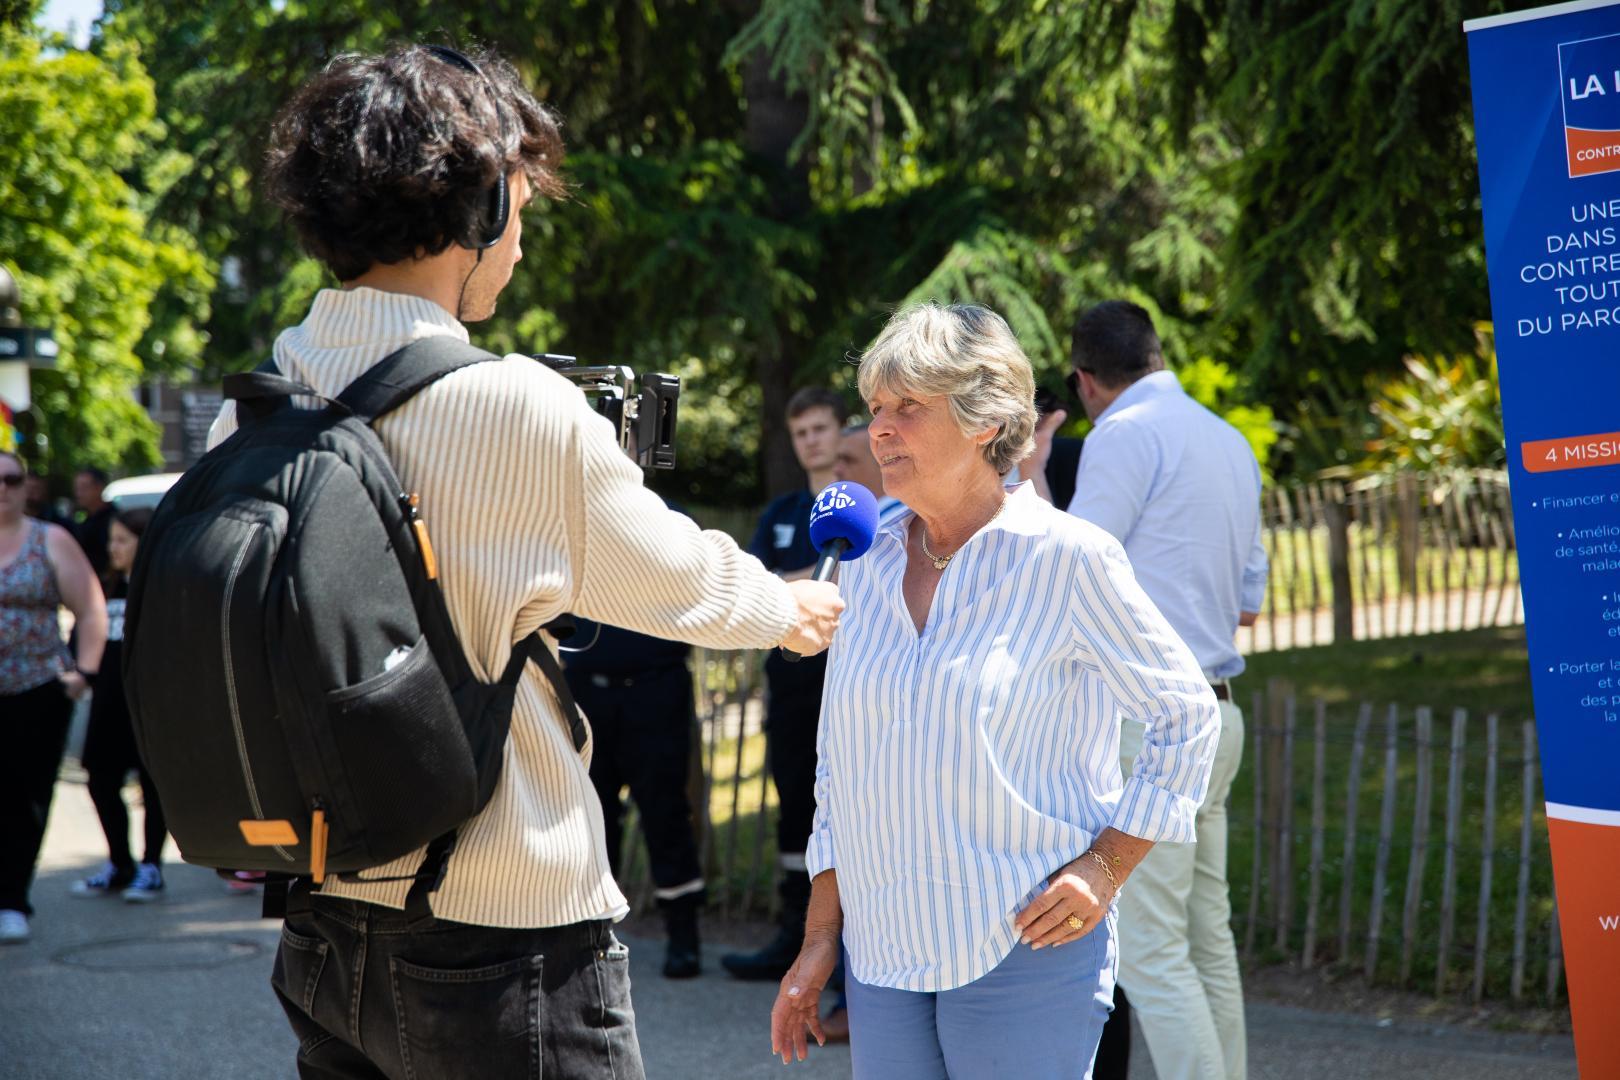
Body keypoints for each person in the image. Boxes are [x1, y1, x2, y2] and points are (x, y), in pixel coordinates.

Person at [207, 44, 843, 1079]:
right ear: (486, 204)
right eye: (523, 200)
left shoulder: (263, 399)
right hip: (503, 932)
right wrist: (795, 607)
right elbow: (680, 582)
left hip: (322, 924)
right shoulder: (512, 406)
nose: (523, 233)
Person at [769, 303, 1221, 1078]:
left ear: (984, 420)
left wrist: (1106, 867)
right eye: (876, 408)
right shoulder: (862, 560)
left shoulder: (1069, 558)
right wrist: (821, 940)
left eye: (907, 408)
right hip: (880, 957)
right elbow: (839, 764)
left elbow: (1185, 716)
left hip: (1023, 949)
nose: (878, 430)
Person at [1055, 300, 1267, 1080]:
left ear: (1084, 381)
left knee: (1147, 953)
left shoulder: (1122, 435)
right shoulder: (1229, 439)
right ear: (1153, 355)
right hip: (1219, 711)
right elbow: (1250, 597)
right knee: (1207, 937)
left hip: (1147, 725)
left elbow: (1073, 566)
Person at [722, 387, 848, 983]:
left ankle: (851, 949)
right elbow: (754, 589)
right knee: (795, 805)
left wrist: (787, 585)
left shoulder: (870, 507)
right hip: (794, 686)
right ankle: (793, 934)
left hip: (852, 684)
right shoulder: (781, 514)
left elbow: (793, 587)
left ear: (840, 430)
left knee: (857, 808)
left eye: (821, 428)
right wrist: (807, 583)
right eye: (801, 433)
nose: (812, 442)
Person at [563, 573, 706, 979]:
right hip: (586, 691)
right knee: (590, 816)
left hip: (654, 689)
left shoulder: (671, 517)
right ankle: (589, 935)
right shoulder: (577, 514)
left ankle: (683, 938)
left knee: (666, 812)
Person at [0, 449, 108, 944]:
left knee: (27, 796)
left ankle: (12, 898)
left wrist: (83, 673)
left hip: (38, 687)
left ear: (26, 487)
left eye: (12, 479)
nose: (3, 488)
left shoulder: (50, 540)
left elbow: (90, 609)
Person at [72, 506, 168, 903]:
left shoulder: (162, 588)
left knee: (154, 785)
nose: (113, 548)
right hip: (107, 704)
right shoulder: (106, 586)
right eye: (111, 539)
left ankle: (151, 867)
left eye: (122, 540)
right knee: (100, 778)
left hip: (149, 706)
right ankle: (119, 862)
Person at [834, 422, 906, 525]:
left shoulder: (900, 526)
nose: (837, 470)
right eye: (837, 460)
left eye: (848, 460)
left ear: (882, 461)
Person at [71, 466, 114, 583]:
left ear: (99, 488)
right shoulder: (84, 521)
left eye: (84, 488)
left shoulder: (114, 521)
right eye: (77, 488)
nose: (79, 493)